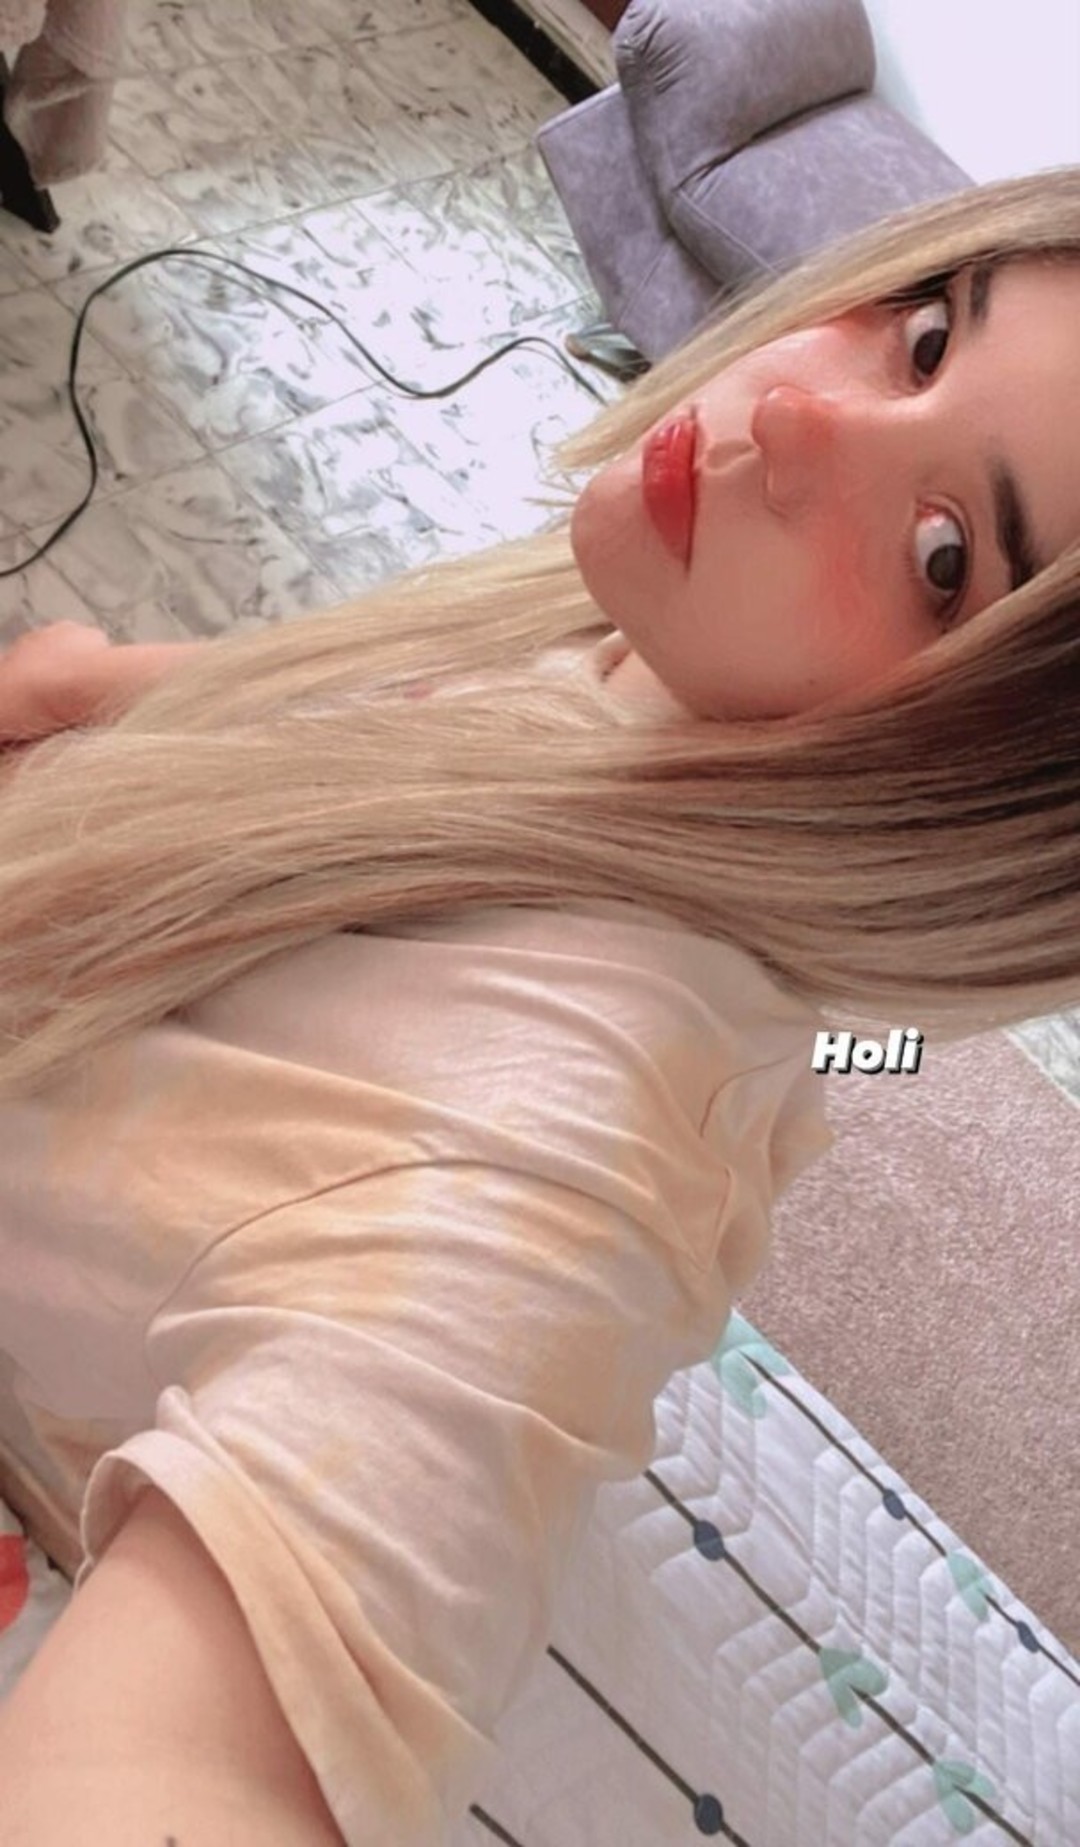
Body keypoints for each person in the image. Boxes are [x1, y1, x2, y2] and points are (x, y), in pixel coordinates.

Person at [0, 164, 1077, 1845]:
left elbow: (187, 1771)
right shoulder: (677, 647)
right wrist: (102, 691)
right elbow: (403, 731)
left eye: (944, 558)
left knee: (841, 1054)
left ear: (977, 815)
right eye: (928, 333)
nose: (793, 415)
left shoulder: (554, 1165)